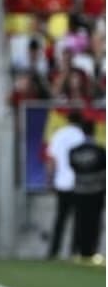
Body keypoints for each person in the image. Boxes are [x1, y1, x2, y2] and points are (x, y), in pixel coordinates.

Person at [46, 110, 85, 258]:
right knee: (78, 219)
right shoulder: (81, 136)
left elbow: (51, 160)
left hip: (62, 182)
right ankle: (74, 251)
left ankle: (53, 251)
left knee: (60, 219)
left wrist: (49, 180)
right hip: (78, 182)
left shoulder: (59, 134)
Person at [69, 120, 105, 263]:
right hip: (96, 190)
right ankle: (92, 251)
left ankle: (79, 250)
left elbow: (72, 166)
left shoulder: (74, 150)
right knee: (94, 221)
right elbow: (103, 168)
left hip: (79, 190)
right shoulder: (99, 150)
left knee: (80, 220)